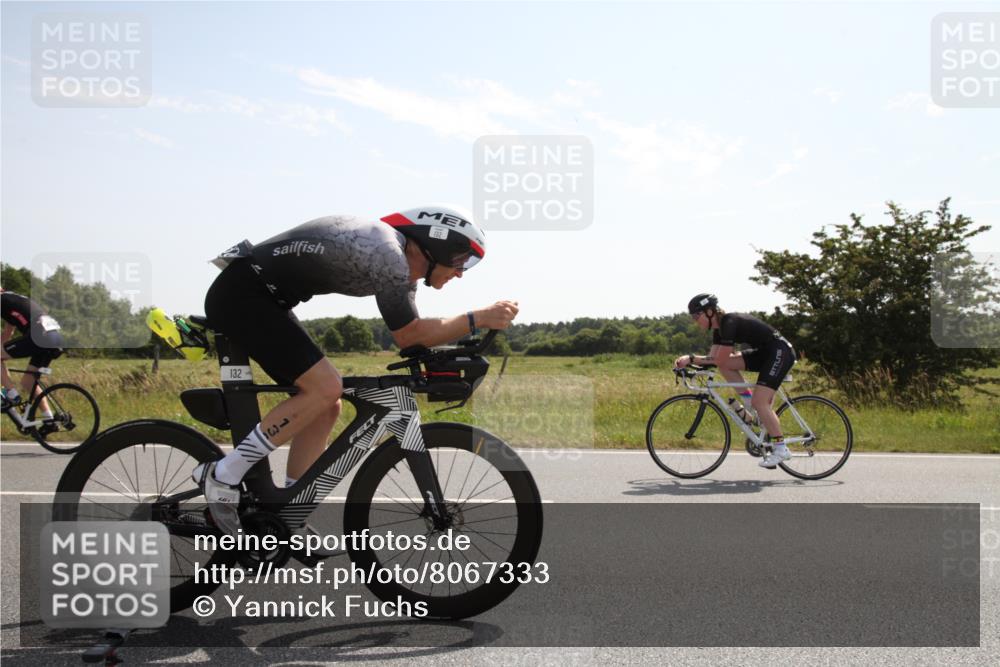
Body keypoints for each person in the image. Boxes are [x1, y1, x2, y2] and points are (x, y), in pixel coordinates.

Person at [194, 205, 518, 534]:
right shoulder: (387, 254)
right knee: (325, 388)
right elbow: (409, 334)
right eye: (461, 260)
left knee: (326, 404)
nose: (461, 272)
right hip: (242, 296)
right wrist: (478, 318)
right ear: (439, 245)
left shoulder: (399, 265)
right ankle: (223, 474)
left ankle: (286, 513)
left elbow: (414, 336)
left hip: (261, 298)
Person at [674, 293, 797, 469]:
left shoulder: (729, 323)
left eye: (696, 316)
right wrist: (692, 369)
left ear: (709, 312)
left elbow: (717, 359)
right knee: (726, 366)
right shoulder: (719, 330)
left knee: (760, 402)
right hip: (765, 353)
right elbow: (715, 359)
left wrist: (691, 358)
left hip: (780, 352)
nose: (695, 321)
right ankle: (749, 403)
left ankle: (781, 448)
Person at [1, 288, 65, 412]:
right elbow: (8, 333)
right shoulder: (13, 299)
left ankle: (12, 395)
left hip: (39, 336)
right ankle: (50, 419)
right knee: (28, 382)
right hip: (54, 337)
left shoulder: (2, 300)